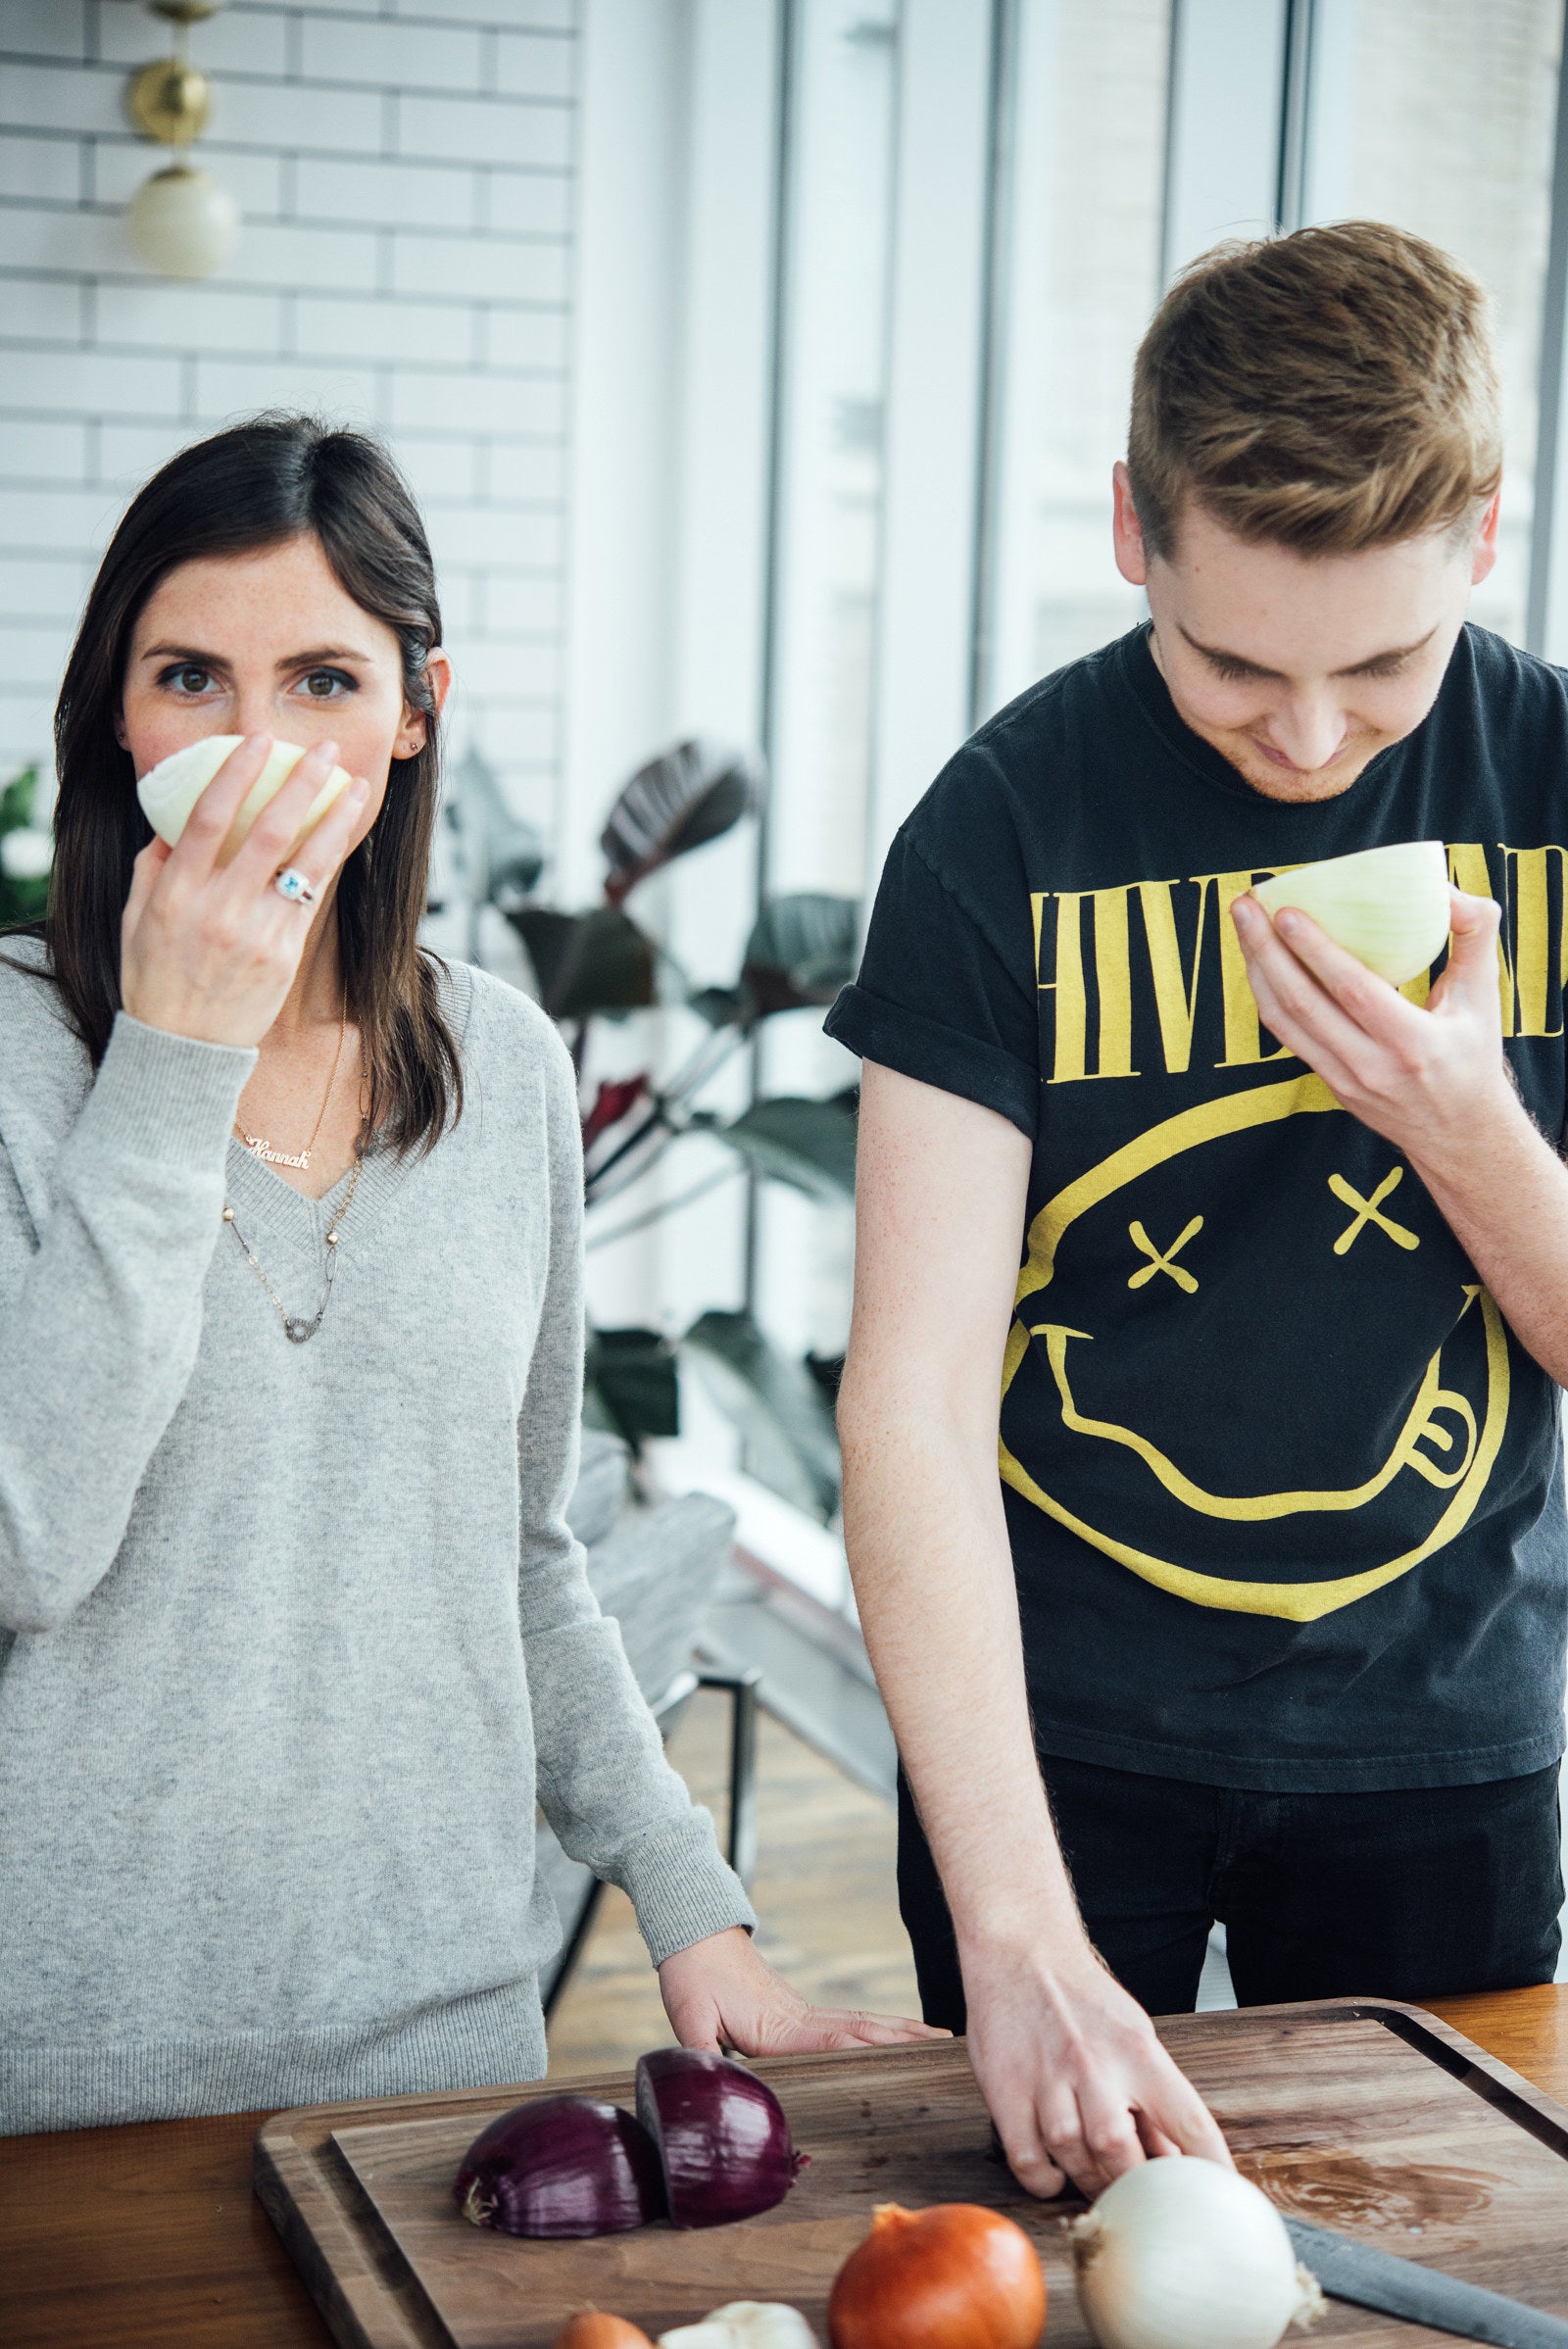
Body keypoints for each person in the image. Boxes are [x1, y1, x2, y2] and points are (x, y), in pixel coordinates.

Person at [0, 415, 936, 2137]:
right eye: (191, 676)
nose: (258, 741)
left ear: (418, 708)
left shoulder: (502, 1070)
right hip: (62, 2065)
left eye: (326, 682)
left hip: (437, 2041)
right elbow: (26, 1544)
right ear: (112, 716)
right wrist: (171, 1060)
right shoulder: (10, 1061)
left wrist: (689, 1896)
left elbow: (520, 1548)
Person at [829, 220, 1568, 2203]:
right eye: (1233, 661)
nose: (1305, 740)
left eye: (1381, 666)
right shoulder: (1002, 822)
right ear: (1132, 535)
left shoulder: (1562, 783)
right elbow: (900, 1405)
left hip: (1445, 1740)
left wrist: (1462, 1124)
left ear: (1481, 537)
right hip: (1049, 1753)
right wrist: (1011, 1930)